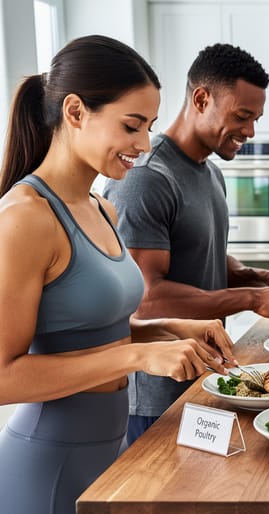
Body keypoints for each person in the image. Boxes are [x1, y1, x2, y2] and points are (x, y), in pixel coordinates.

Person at [0, 35, 234, 514]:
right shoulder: (24, 217)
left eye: (148, 126)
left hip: (107, 458)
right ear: (75, 112)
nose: (144, 144)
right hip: (47, 470)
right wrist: (137, 358)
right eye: (132, 126)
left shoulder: (101, 208)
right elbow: (4, 377)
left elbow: (83, 330)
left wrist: (165, 329)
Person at [103, 43, 269, 444]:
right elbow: (147, 297)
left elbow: (204, 260)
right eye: (242, 116)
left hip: (205, 376)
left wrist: (263, 278)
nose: (250, 131)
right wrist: (254, 300)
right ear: (201, 99)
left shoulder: (210, 173)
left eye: (256, 118)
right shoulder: (147, 178)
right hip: (154, 397)